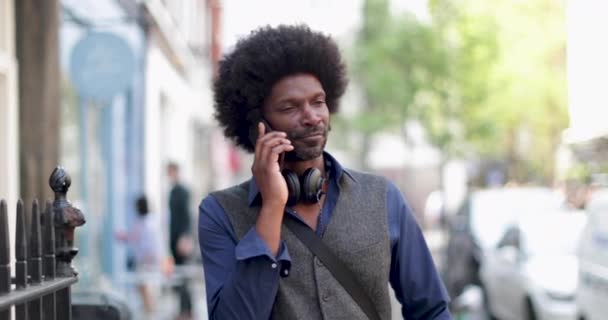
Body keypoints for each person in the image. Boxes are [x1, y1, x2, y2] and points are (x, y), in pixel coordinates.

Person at [198, 24, 452, 319]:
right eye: (289, 107)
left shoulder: (383, 198)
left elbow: (431, 309)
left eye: (318, 102)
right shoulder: (220, 213)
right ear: (259, 123)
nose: (311, 117)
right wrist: (272, 207)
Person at [115, 195, 163, 317]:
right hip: (151, 258)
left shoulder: (142, 223)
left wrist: (122, 236)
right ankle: (149, 309)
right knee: (144, 286)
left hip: (145, 259)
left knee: (143, 285)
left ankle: (150, 311)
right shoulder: (151, 220)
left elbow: (134, 238)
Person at [167, 162, 193, 320]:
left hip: (181, 239)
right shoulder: (172, 191)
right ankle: (184, 310)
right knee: (179, 276)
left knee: (184, 276)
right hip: (173, 238)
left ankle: (186, 311)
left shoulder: (183, 191)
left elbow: (186, 216)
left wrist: (185, 237)